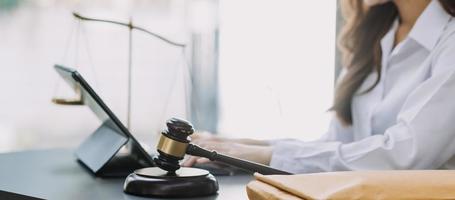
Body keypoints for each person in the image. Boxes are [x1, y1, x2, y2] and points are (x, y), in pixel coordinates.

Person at [183, 0, 455, 174]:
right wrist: (237, 147)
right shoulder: (376, 35)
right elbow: (340, 146)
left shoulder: (449, 43)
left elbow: (405, 155)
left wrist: (270, 155)